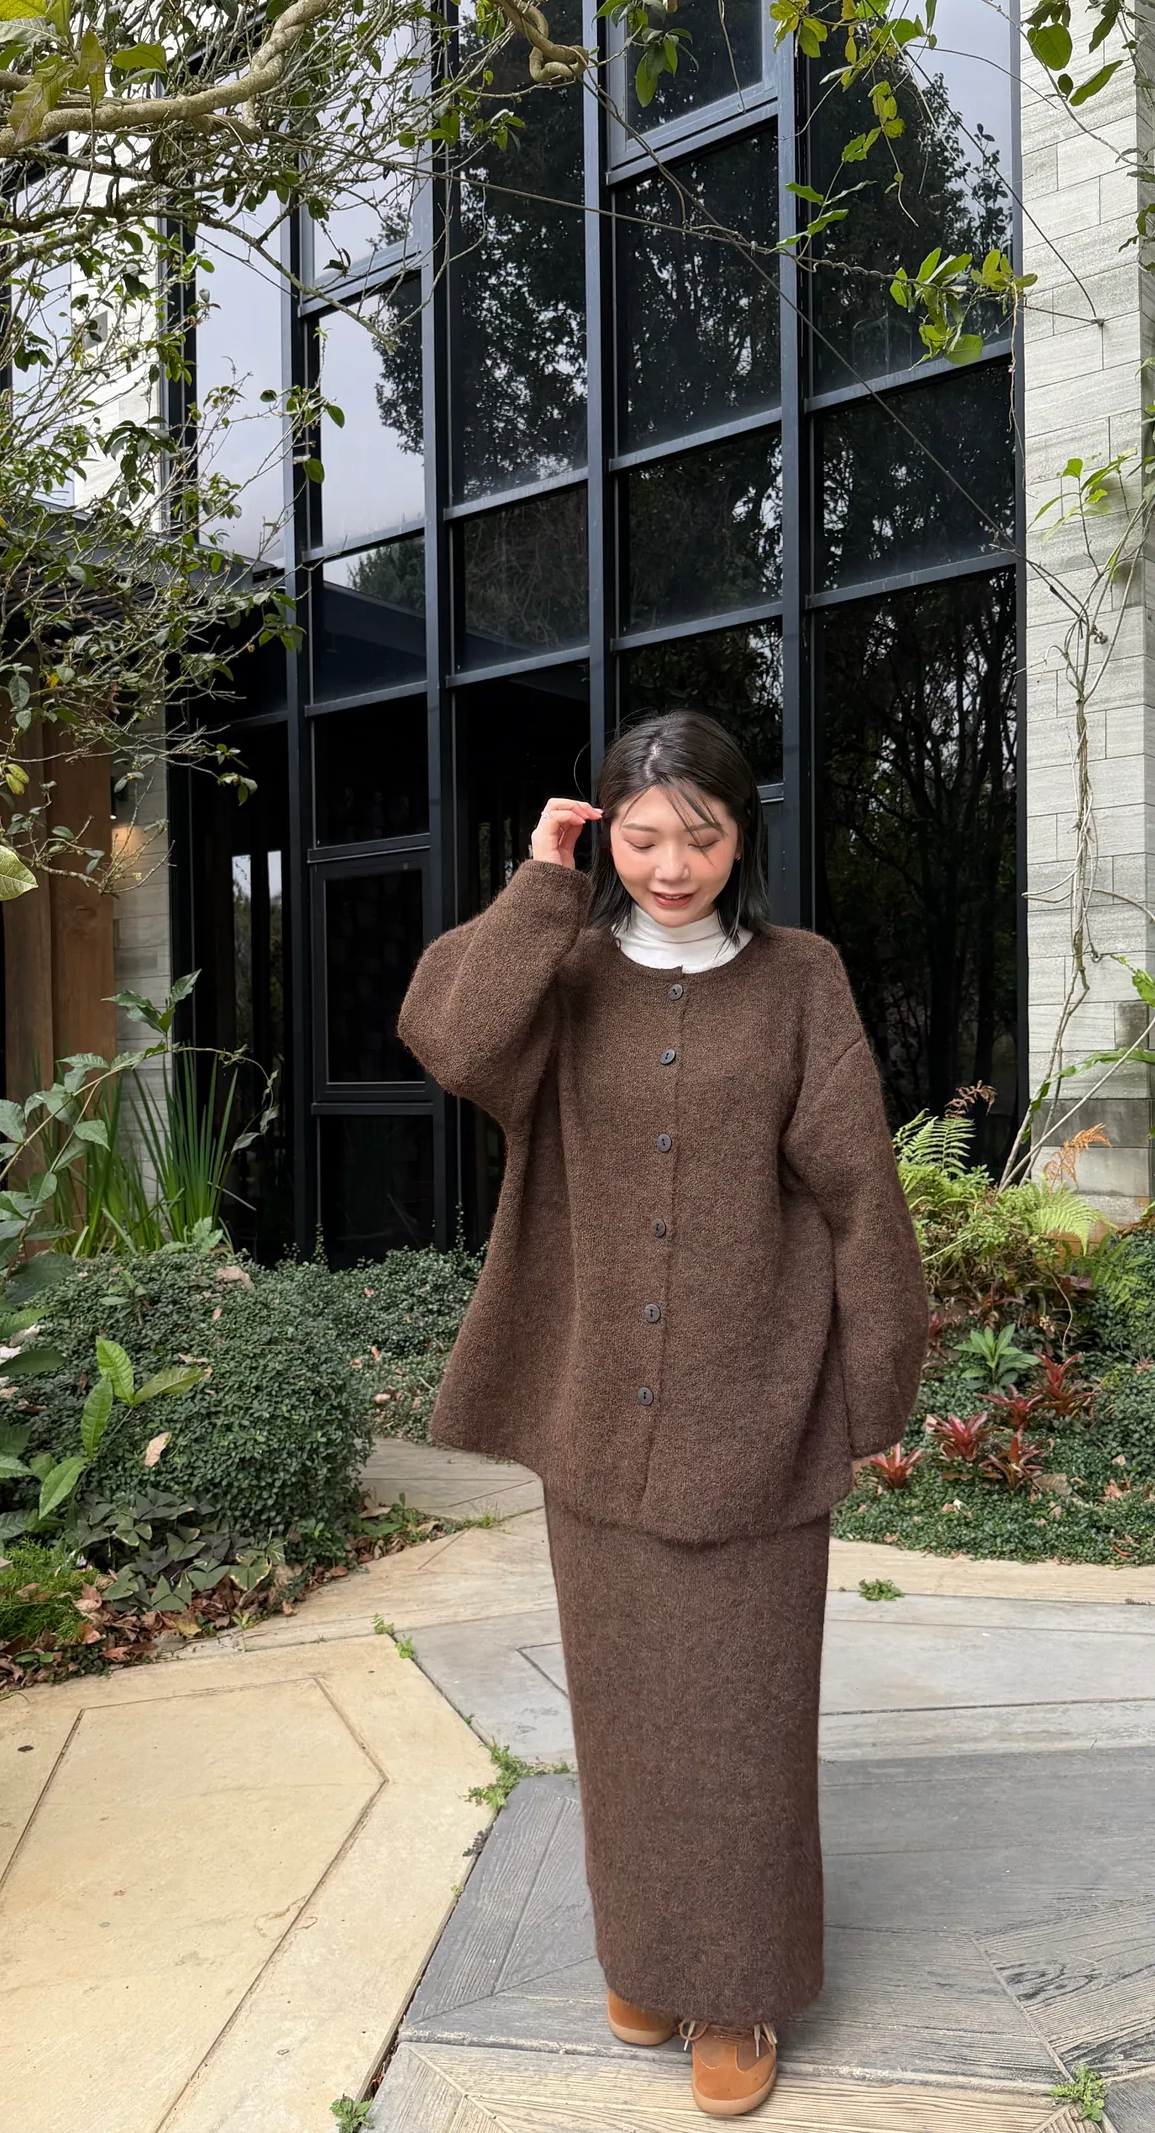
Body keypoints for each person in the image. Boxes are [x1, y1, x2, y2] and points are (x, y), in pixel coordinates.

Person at [396, 710, 930, 2118]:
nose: (671, 865)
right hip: (595, 1411)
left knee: (743, 1727)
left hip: (757, 1404)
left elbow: (857, 1184)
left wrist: (876, 1377)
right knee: (628, 1721)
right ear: (607, 838)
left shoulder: (801, 977)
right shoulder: (563, 974)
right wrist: (540, 883)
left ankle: (741, 1992)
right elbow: (449, 1037)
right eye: (641, 838)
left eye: (700, 836)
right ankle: (644, 1954)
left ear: (742, 838)